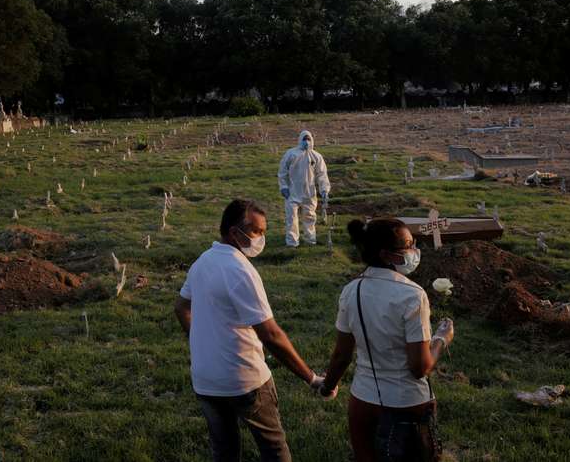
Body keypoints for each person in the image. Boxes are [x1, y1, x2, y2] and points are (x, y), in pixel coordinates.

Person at [174, 199, 325, 462]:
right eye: (257, 232)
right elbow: (271, 335)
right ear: (234, 232)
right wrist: (311, 378)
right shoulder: (240, 271)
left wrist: (200, 341)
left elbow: (181, 307)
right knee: (274, 449)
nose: (261, 239)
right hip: (245, 381)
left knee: (224, 451)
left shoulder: (202, 261)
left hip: (206, 380)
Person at [318, 218, 455, 462]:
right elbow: (419, 367)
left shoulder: (351, 290)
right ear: (386, 255)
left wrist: (327, 387)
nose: (414, 251)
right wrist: (441, 339)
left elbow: (341, 354)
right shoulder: (413, 295)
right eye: (408, 245)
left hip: (363, 401)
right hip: (407, 403)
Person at [277, 130, 330, 247]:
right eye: (304, 139)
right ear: (300, 140)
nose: (306, 141)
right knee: (291, 218)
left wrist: (324, 189)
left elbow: (322, 174)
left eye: (308, 139)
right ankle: (292, 243)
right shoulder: (291, 154)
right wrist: (284, 187)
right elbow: (282, 172)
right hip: (292, 192)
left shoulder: (316, 156)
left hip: (309, 193)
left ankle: (310, 240)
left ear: (312, 140)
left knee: (310, 217)